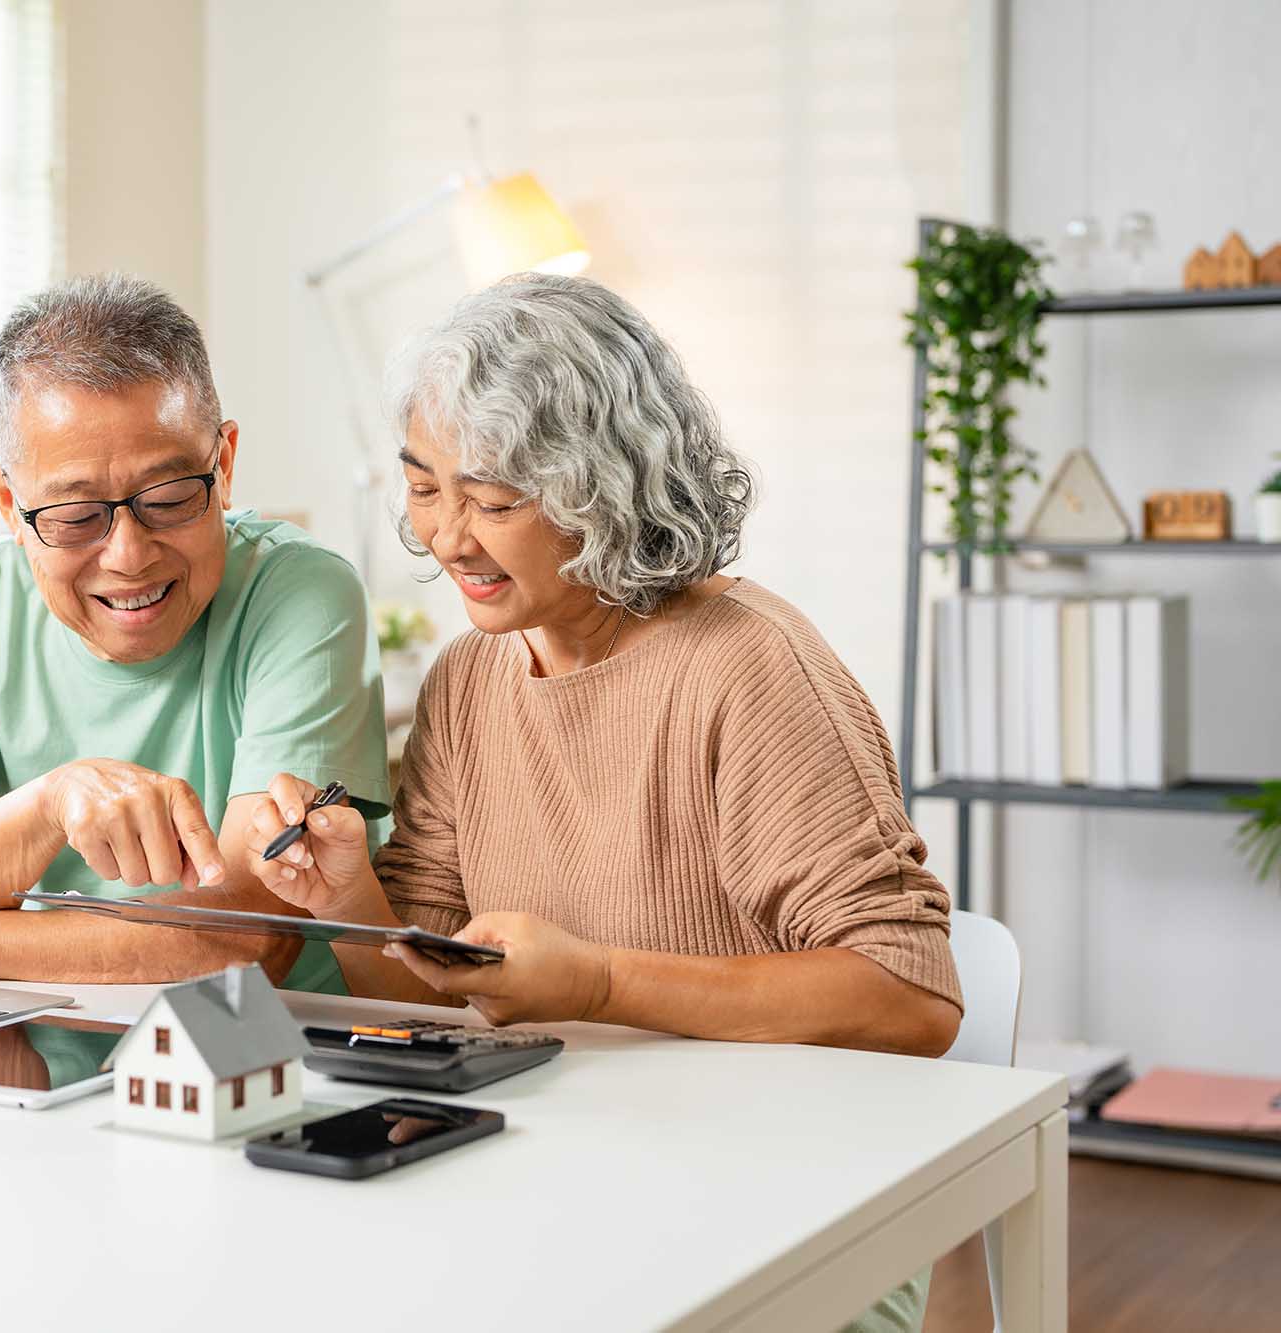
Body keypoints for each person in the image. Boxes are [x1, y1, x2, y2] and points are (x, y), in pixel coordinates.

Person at [245, 272, 958, 1332]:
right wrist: (350, 893)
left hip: (775, 1206)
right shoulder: (468, 681)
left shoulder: (746, 670)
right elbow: (430, 995)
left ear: (605, 487)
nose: (445, 537)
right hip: (552, 1184)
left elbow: (909, 997)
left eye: (491, 499)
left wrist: (598, 980)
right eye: (424, 487)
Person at [0, 274, 390, 990]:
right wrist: (53, 801)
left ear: (224, 465)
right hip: (29, 1057)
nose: (128, 555)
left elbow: (244, 936)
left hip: (259, 1069)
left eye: (169, 500)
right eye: (77, 516)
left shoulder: (303, 594)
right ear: (6, 503)